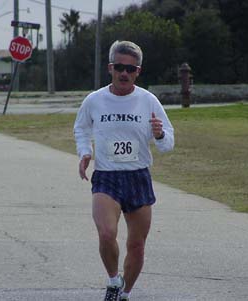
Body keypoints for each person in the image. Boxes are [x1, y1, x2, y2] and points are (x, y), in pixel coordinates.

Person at [73, 40, 174, 301]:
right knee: (107, 234)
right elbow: (81, 128)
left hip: (138, 176)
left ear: (138, 72)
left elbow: (168, 143)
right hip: (107, 176)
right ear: (110, 67)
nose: (124, 73)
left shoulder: (147, 100)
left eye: (131, 69)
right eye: (119, 67)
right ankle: (113, 280)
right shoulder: (95, 100)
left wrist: (160, 134)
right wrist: (85, 152)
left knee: (137, 245)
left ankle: (125, 294)